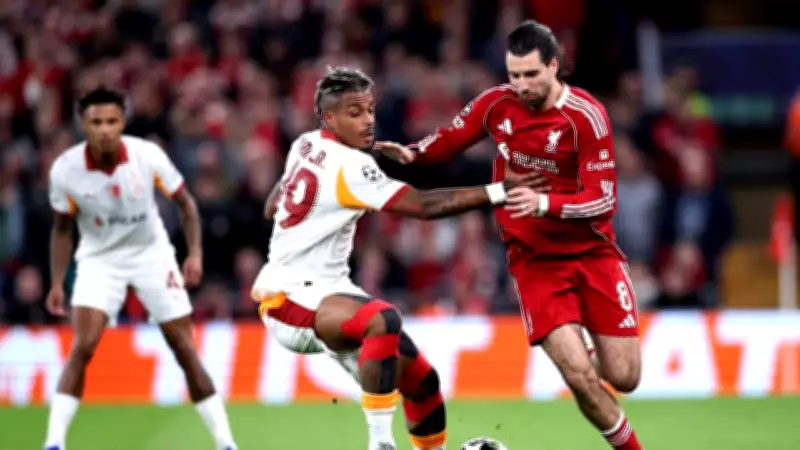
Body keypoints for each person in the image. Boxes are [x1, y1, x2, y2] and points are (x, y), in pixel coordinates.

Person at [375, 21, 644, 450]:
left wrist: (544, 204)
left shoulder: (585, 116)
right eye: (514, 75)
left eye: (531, 74)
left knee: (625, 376)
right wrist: (414, 153)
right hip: (534, 260)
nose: (521, 85)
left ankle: (593, 357)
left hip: (593, 253)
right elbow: (452, 138)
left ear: (553, 66)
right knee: (578, 377)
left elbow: (604, 199)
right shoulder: (497, 104)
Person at [252, 66, 547, 450]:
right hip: (289, 297)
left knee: (423, 382)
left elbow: (271, 206)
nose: (368, 120)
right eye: (355, 113)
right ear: (330, 118)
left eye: (370, 110)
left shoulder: (304, 144)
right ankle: (381, 443)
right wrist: (500, 191)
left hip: (328, 291)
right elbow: (424, 206)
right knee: (383, 320)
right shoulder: (351, 166)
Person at [45, 87, 237, 450]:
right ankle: (54, 442)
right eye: (96, 122)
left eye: (112, 121)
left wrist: (194, 254)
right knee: (83, 346)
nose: (105, 129)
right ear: (84, 124)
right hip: (99, 259)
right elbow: (62, 228)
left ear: (122, 122)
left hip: (151, 254)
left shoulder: (146, 156)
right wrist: (57, 283)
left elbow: (186, 203)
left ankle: (226, 442)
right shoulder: (66, 170)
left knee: (183, 346)